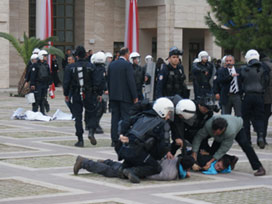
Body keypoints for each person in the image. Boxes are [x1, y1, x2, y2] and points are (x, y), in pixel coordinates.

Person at [115, 97, 175, 183]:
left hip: (123, 149)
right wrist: (156, 156)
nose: (169, 117)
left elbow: (123, 122)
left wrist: (121, 134)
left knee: (139, 157)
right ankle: (132, 171)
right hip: (137, 152)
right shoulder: (163, 124)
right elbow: (164, 146)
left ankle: (123, 168)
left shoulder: (142, 115)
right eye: (168, 113)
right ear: (162, 111)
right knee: (156, 167)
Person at [191, 115, 266, 176]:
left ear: (223, 129)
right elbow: (198, 137)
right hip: (222, 134)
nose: (214, 134)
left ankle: (259, 167)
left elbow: (223, 149)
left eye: (216, 133)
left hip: (238, 127)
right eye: (213, 132)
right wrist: (194, 156)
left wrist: (210, 162)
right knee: (212, 153)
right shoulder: (209, 125)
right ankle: (231, 159)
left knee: (245, 145)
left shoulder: (230, 132)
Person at [63, 46, 100, 147]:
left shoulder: (71, 67)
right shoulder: (91, 66)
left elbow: (66, 82)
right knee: (92, 113)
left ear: (77, 56)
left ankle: (80, 139)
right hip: (89, 94)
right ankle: (91, 131)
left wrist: (66, 94)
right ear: (85, 54)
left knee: (78, 117)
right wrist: (97, 93)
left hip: (76, 94)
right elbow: (96, 81)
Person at [73, 155, 194, 181]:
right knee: (110, 172)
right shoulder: (172, 174)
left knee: (117, 166)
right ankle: (84, 162)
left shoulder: (173, 158)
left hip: (141, 159)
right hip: (140, 170)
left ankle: (106, 161)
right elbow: (152, 175)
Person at [108, 47, 138, 146]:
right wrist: (135, 96)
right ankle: (123, 136)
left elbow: (108, 80)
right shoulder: (127, 65)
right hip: (125, 97)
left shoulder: (111, 65)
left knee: (114, 118)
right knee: (126, 118)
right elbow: (131, 82)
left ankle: (114, 139)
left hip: (113, 96)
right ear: (126, 54)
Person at [241, 49, 270, 149]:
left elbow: (241, 82)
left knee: (245, 119)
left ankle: (247, 140)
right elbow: (266, 81)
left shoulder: (243, 69)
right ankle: (260, 136)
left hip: (248, 95)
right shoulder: (264, 68)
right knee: (260, 118)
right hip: (259, 95)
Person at [30, 50, 52, 115]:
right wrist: (32, 84)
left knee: (43, 98)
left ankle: (42, 112)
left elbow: (49, 74)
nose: (46, 57)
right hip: (37, 84)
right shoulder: (35, 65)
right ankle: (34, 112)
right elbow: (33, 75)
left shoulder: (46, 65)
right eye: (45, 56)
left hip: (44, 84)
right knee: (37, 99)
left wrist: (50, 83)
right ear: (41, 56)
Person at [91, 51, 107, 134]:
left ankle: (94, 125)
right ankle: (95, 125)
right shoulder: (100, 69)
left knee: (98, 109)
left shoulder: (93, 68)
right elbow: (100, 81)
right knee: (100, 109)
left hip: (94, 92)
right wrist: (100, 92)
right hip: (98, 93)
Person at [260, 53, 272, 145]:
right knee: (265, 118)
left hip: (262, 96)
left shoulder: (260, 66)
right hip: (269, 96)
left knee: (262, 118)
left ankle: (261, 137)